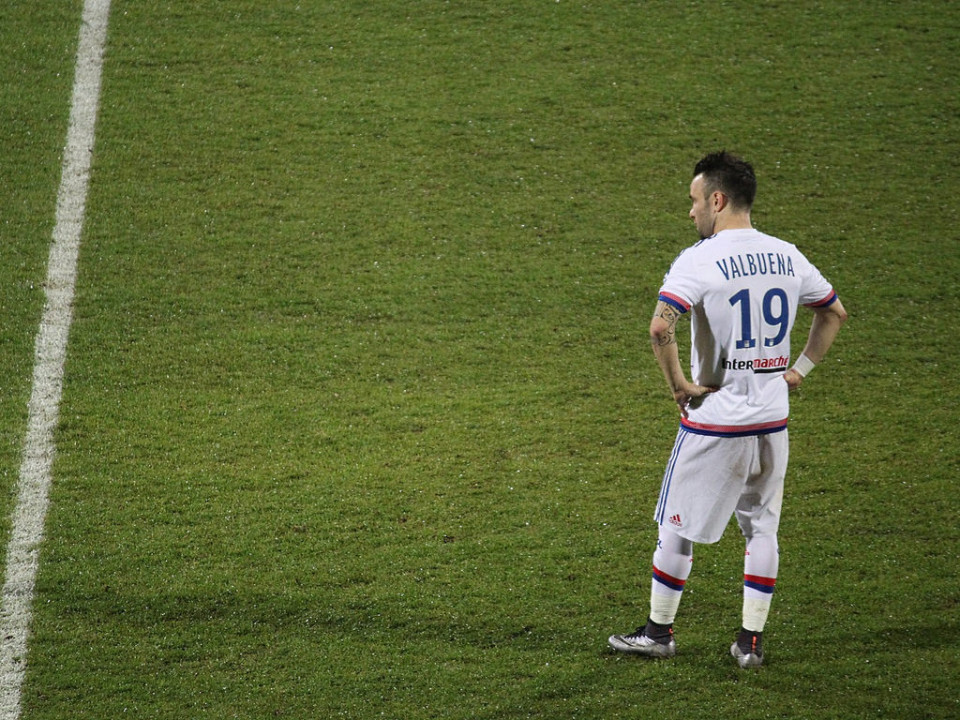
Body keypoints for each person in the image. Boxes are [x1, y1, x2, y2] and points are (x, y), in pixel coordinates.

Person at [608, 151, 847, 668]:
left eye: (694, 202)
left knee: (674, 526)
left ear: (717, 200)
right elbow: (833, 311)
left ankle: (658, 633)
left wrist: (679, 384)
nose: (690, 213)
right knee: (762, 529)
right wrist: (799, 370)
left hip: (716, 420)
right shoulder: (787, 254)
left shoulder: (700, 258)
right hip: (771, 421)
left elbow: (659, 326)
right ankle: (750, 644)